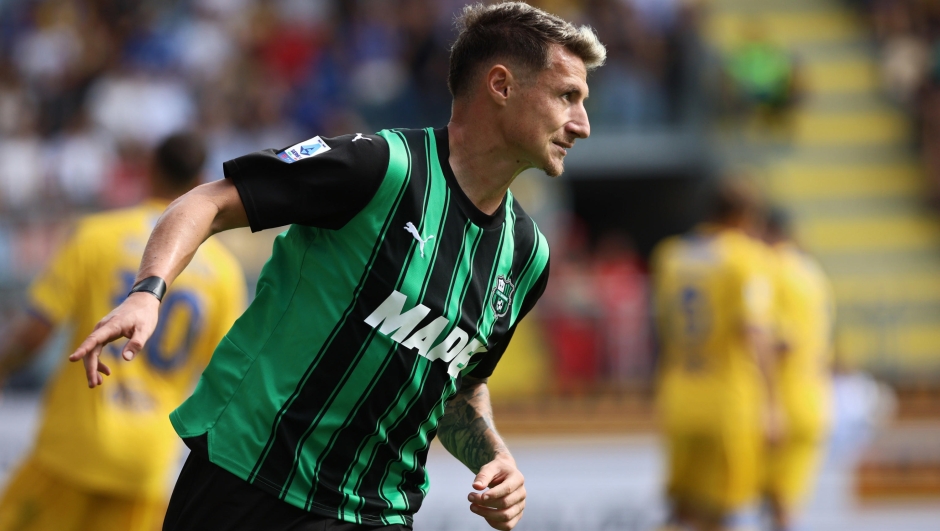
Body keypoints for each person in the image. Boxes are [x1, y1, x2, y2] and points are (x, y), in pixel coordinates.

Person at [68, 3, 606, 531]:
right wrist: (148, 291)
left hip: (377, 509)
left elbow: (459, 385)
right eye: (568, 96)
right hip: (251, 479)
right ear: (502, 85)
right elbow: (206, 203)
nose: (582, 124)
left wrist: (496, 459)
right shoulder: (377, 166)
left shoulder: (527, 254)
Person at [0, 132, 246, 531]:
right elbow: (226, 372)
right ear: (202, 181)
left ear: (149, 170)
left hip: (73, 448)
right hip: (145, 464)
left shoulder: (98, 234)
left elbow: (36, 329)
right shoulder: (224, 271)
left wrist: (3, 366)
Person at [650, 177, 781, 531]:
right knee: (724, 513)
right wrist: (772, 403)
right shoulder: (745, 258)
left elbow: (664, 329)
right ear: (744, 216)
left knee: (682, 511)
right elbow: (754, 332)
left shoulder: (671, 256)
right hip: (728, 403)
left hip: (679, 398)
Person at [762, 209, 834, 531]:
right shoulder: (813, 272)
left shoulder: (774, 271)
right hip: (814, 397)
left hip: (781, 402)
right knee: (787, 507)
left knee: (772, 507)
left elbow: (782, 341)